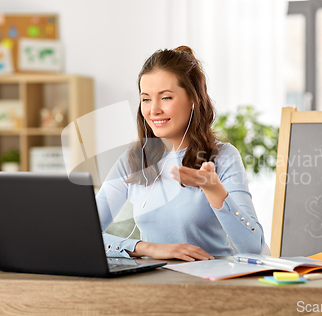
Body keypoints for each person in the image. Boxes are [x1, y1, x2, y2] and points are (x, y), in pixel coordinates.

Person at [96, 45, 265, 261]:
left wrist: (213, 189)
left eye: (165, 98)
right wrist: (147, 248)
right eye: (146, 99)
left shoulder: (223, 157)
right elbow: (83, 234)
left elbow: (253, 247)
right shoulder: (133, 160)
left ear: (194, 99)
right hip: (152, 284)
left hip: (210, 283)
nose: (153, 109)